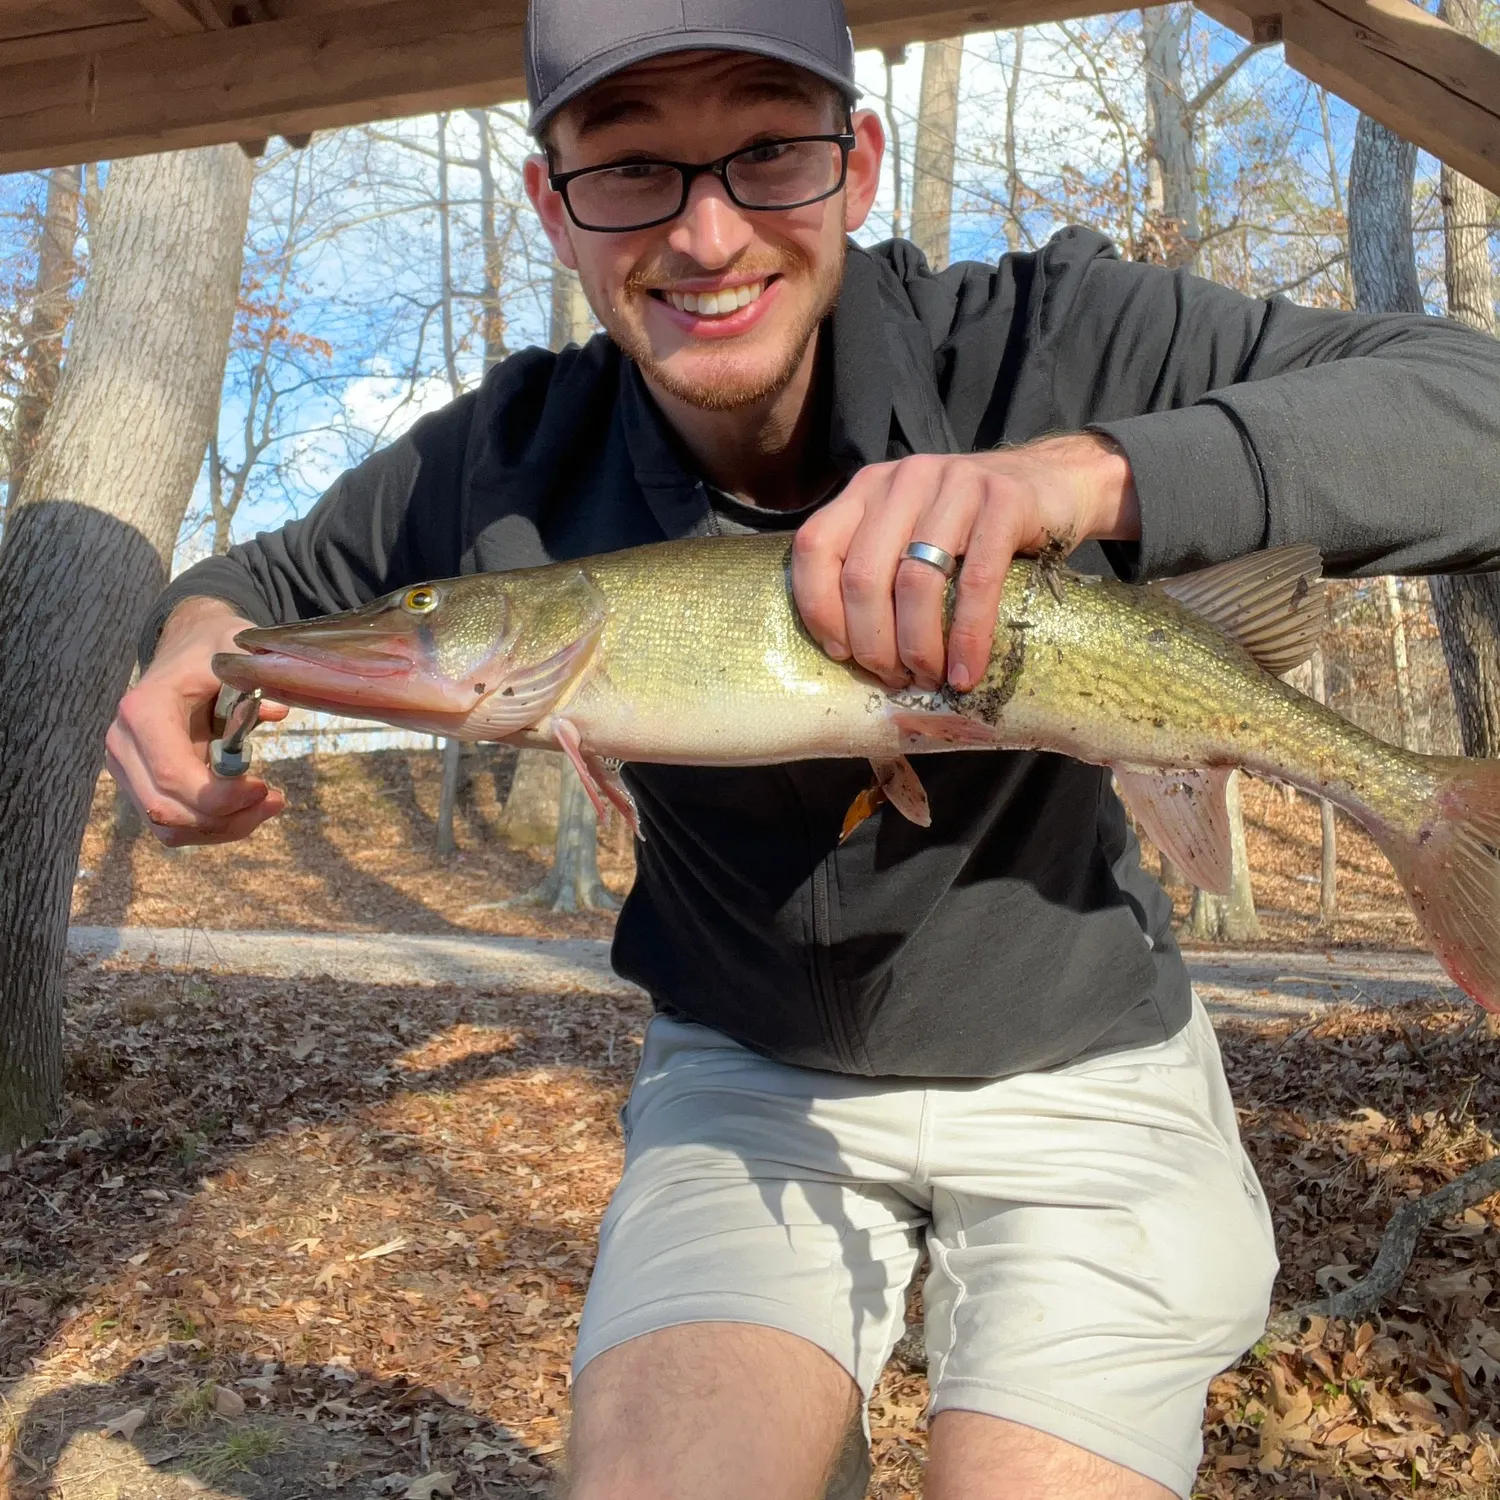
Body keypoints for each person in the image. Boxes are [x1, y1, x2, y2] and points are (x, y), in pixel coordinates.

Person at [107, 1, 1500, 1494]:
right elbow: (269, 591)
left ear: (859, 162)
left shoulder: (1055, 338)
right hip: (750, 1076)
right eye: (632, 168)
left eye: (770, 152)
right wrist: (195, 639)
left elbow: (1472, 412)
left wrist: (1084, 476)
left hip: (1081, 1060)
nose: (707, 236)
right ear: (549, 203)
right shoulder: (504, 452)